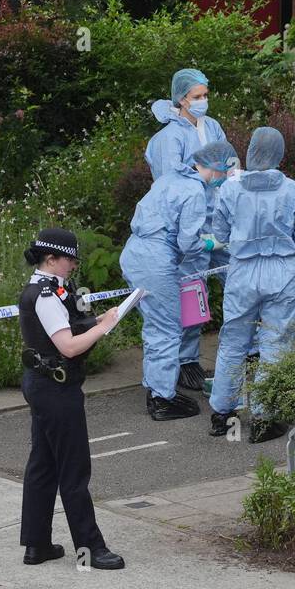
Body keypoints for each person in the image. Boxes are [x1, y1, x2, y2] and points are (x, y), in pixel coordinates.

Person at [18, 228, 125, 570]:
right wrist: (103, 328)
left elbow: (71, 325)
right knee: (74, 471)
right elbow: (68, 345)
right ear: (51, 259)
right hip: (56, 388)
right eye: (70, 259)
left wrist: (97, 320)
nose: (74, 265)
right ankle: (90, 548)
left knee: (44, 466)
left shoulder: (51, 289)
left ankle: (37, 545)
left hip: (43, 384)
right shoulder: (46, 295)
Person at [207, 126, 295, 444]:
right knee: (275, 345)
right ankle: (264, 417)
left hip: (242, 272)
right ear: (280, 154)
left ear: (250, 150)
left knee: (232, 342)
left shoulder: (230, 189)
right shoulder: (293, 190)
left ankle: (222, 415)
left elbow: (221, 234)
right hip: (282, 272)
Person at [145, 68, 227, 393]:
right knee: (191, 291)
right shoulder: (170, 138)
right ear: (181, 99)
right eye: (197, 97)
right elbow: (171, 186)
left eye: (206, 95)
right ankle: (186, 361)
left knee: (237, 275)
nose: (203, 101)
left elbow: (226, 162)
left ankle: (243, 348)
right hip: (186, 226)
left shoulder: (213, 126)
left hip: (217, 220)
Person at [118, 166, 210, 421]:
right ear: (219, 167)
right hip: (156, 260)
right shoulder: (195, 191)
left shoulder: (170, 178)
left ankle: (156, 387)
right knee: (168, 328)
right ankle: (162, 398)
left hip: (135, 253)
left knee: (155, 326)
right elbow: (188, 242)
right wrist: (209, 243)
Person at [177, 139, 240, 392]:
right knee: (192, 305)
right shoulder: (191, 189)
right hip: (192, 251)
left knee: (235, 296)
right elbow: (186, 237)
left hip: (213, 244)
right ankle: (185, 362)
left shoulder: (218, 184)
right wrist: (206, 243)